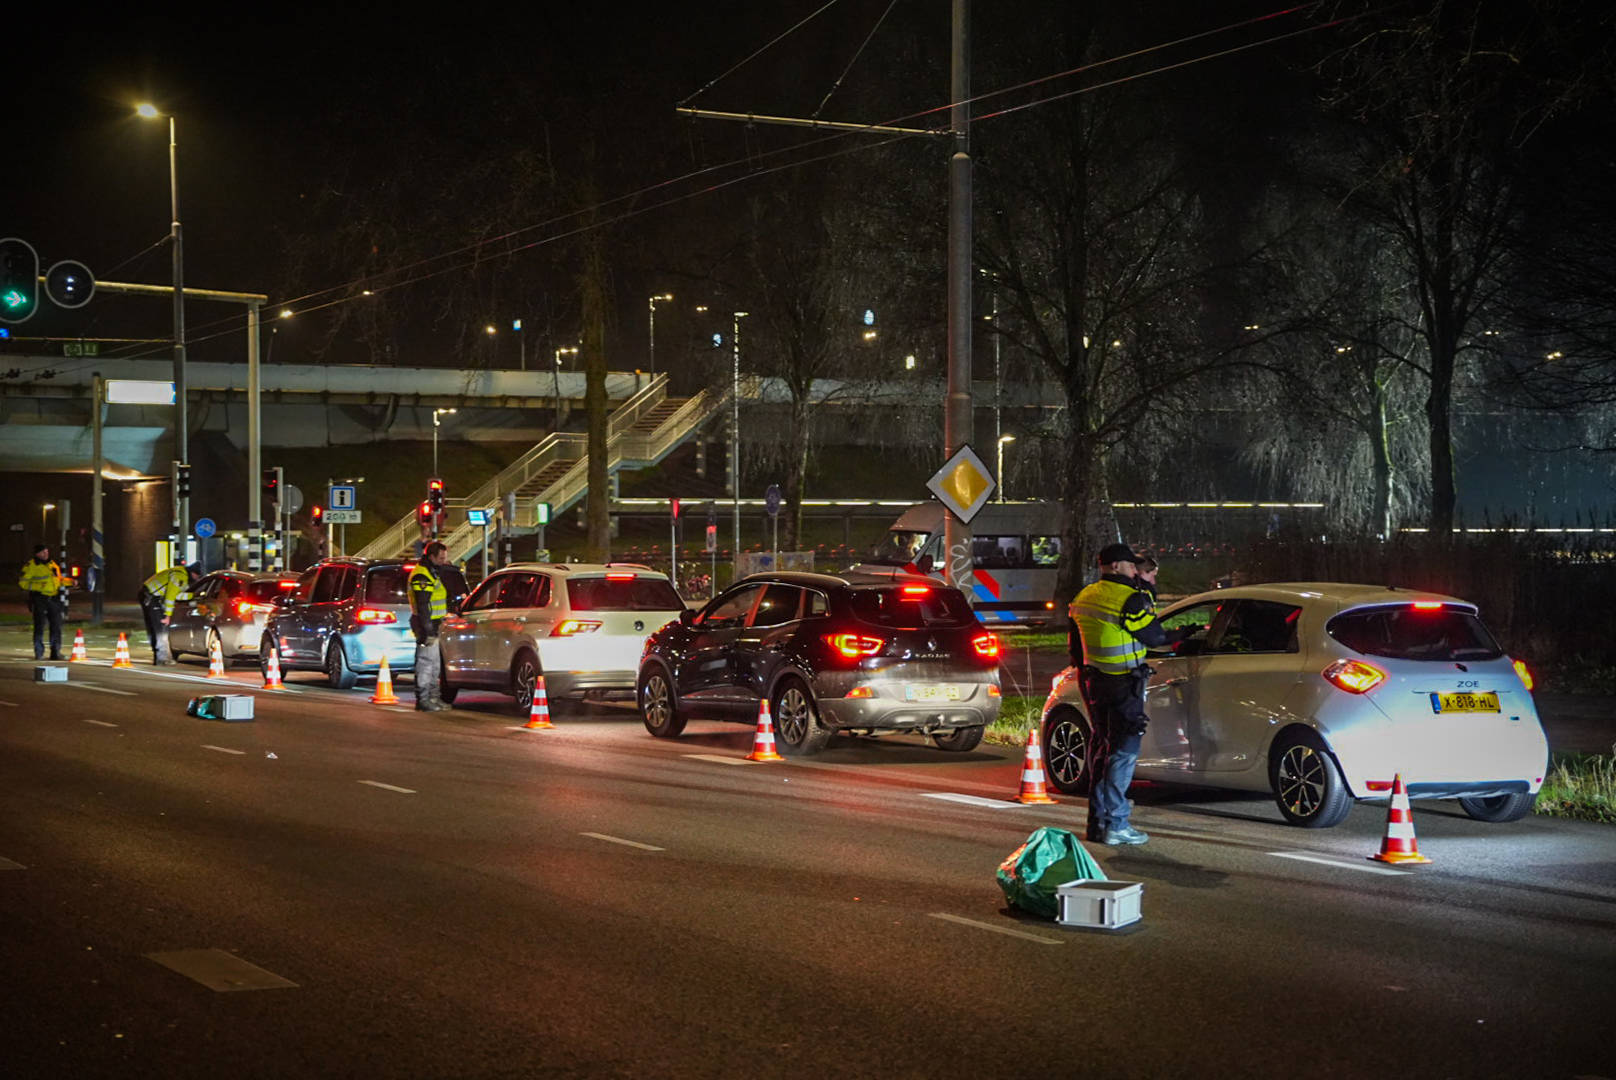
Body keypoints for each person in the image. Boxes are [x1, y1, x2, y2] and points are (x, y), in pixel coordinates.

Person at [1068, 542, 1174, 847]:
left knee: (1103, 749)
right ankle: (1116, 823)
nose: (1134, 573)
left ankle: (1097, 823)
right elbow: (1154, 636)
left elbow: (1076, 646)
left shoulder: (1084, 596)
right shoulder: (1128, 598)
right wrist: (1181, 636)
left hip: (1095, 682)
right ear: (1116, 566)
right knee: (1124, 754)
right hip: (1124, 684)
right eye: (1130, 567)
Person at [408, 542, 452, 712]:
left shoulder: (432, 572)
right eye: (441, 558)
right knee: (426, 663)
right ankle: (424, 699)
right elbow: (423, 604)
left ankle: (434, 697)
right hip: (426, 625)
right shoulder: (422, 575)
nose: (443, 561)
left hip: (434, 624)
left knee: (434, 664)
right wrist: (427, 630)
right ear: (432, 556)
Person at [138, 562, 199, 665]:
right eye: (197, 575)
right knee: (161, 627)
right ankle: (163, 658)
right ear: (193, 573)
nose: (197, 578)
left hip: (147, 595)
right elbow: (170, 597)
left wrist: (192, 596)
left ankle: (158, 657)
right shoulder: (180, 576)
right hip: (152, 597)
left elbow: (177, 595)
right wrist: (168, 615)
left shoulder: (181, 573)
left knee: (154, 627)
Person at [18, 543, 69, 661]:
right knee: (39, 626)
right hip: (39, 598)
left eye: (47, 552)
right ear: (37, 554)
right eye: (43, 552)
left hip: (53, 599)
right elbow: (23, 583)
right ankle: (39, 653)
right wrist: (39, 586)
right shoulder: (31, 566)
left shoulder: (52, 564)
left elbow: (58, 580)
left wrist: (70, 582)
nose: (46, 554)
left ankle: (56, 653)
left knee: (56, 626)